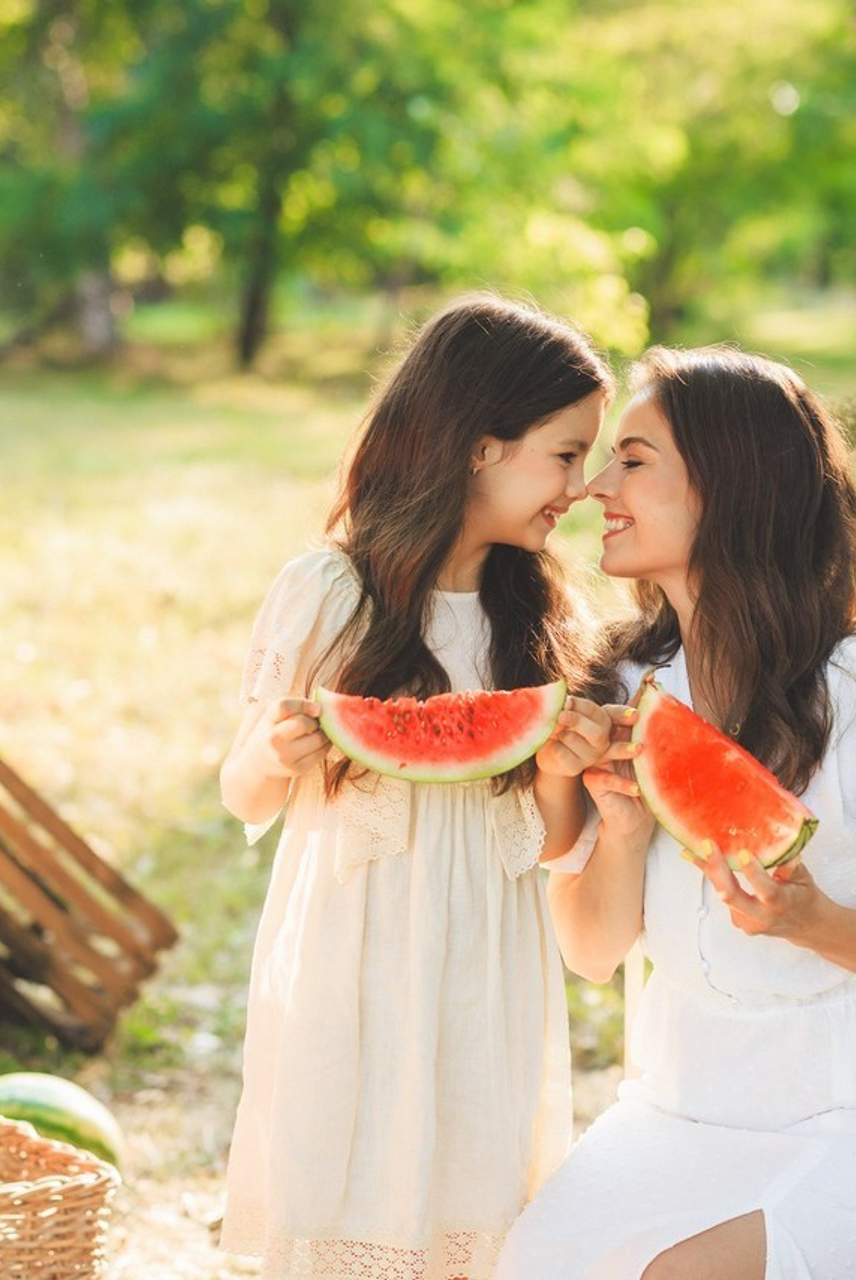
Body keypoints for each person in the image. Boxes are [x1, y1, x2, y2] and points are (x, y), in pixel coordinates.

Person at [498, 345, 856, 1280]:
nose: (596, 488)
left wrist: (813, 921)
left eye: (633, 461)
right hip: (684, 1112)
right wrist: (623, 831)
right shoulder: (627, 688)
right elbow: (590, 951)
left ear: (730, 486)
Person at [218, 294, 619, 1280]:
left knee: (470, 1189)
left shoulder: (542, 614)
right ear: (481, 448)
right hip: (355, 959)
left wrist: (561, 772)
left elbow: (549, 839)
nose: (581, 486)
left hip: (487, 963)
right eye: (565, 455)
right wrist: (275, 752)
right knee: (353, 1173)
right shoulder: (328, 591)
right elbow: (243, 795)